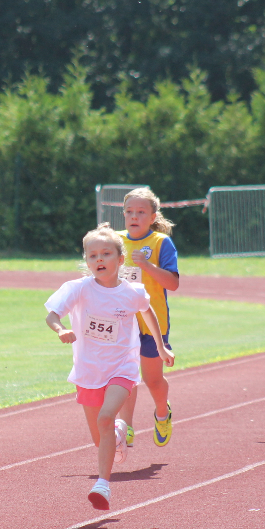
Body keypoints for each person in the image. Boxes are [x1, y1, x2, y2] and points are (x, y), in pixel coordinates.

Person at [45, 224, 174, 510]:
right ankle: (117, 434)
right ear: (86, 260)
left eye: (105, 254)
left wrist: (161, 345)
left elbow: (148, 312)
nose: (99, 260)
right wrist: (60, 330)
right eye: (92, 256)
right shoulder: (78, 289)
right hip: (89, 371)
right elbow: (52, 314)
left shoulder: (132, 292)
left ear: (120, 259)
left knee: (105, 418)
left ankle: (102, 486)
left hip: (121, 368)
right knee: (99, 435)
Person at [115, 188, 177, 448]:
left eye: (141, 212)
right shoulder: (114, 240)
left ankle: (162, 413)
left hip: (153, 321)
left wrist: (147, 266)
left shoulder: (161, 242)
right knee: (125, 375)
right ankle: (126, 426)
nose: (134, 216)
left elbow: (172, 284)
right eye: (129, 212)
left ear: (152, 216)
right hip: (121, 322)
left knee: (152, 379)